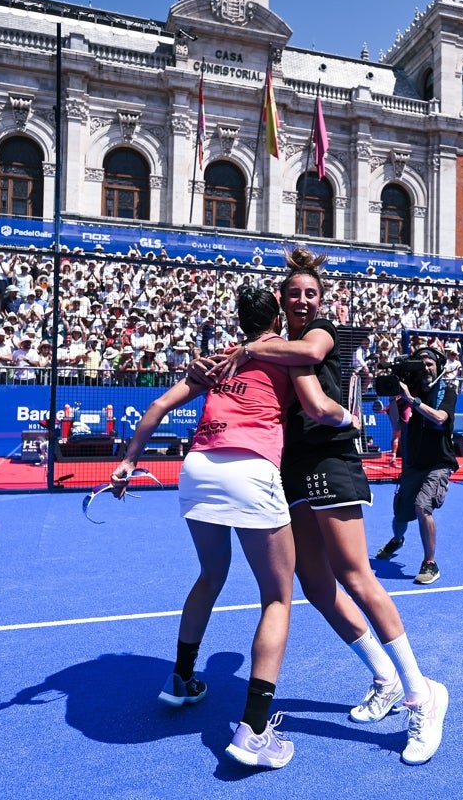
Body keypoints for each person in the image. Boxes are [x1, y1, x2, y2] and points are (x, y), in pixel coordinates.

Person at [197, 248, 448, 766]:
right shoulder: (268, 348)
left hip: (331, 463)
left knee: (357, 578)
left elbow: (310, 363)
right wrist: (228, 359)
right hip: (289, 473)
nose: (304, 301)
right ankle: (382, 676)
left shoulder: (317, 336)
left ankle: (421, 693)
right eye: (294, 295)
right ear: (280, 302)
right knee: (314, 587)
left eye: (311, 293)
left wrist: (347, 419)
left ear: (321, 299)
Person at [110, 286, 355, 770]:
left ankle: (181, 679)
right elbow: (316, 407)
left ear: (240, 321)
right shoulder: (286, 356)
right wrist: (348, 416)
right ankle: (255, 731)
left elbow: (158, 407)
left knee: (211, 574)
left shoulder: (220, 359)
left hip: (199, 468)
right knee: (277, 597)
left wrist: (127, 461)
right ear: (276, 321)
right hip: (251, 468)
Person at [375, 344, 459, 587]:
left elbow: (441, 418)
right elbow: (398, 426)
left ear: (438, 367)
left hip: (438, 463)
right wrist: (394, 397)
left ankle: (430, 563)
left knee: (422, 507)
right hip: (413, 463)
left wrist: (411, 400)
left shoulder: (447, 391)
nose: (425, 368)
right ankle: (397, 540)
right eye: (420, 364)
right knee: (400, 514)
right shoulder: (406, 391)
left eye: (429, 363)